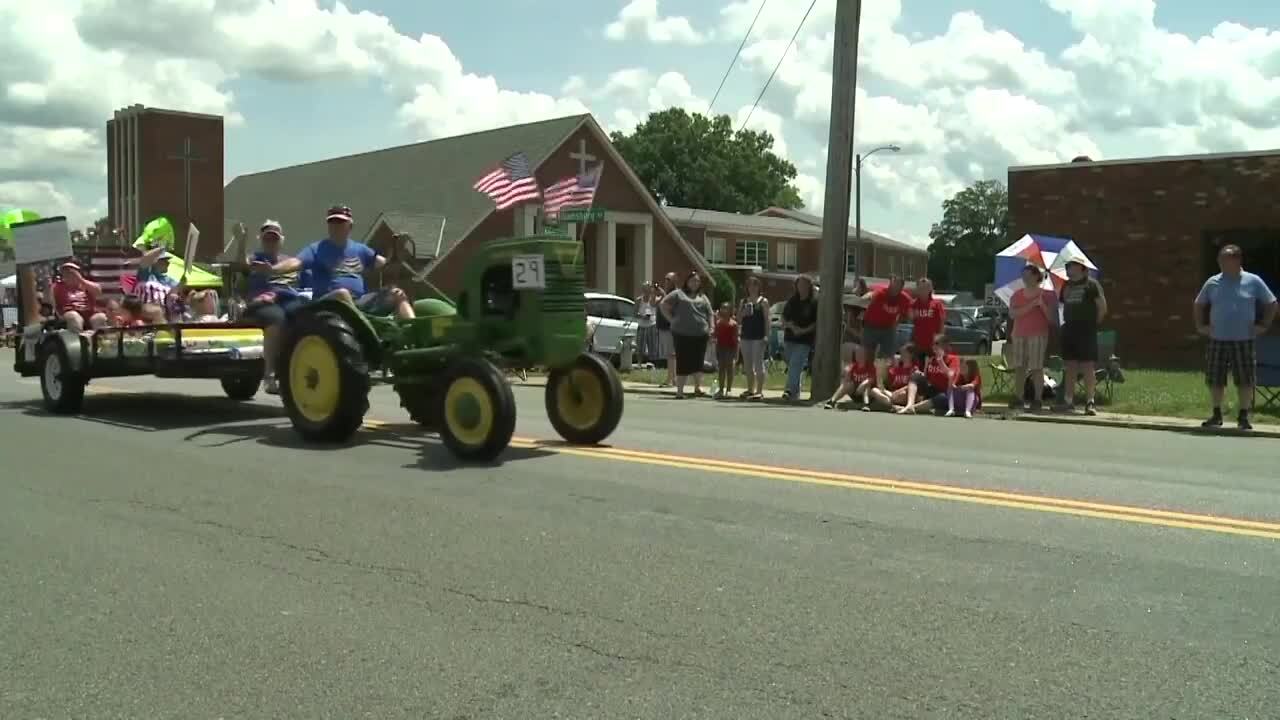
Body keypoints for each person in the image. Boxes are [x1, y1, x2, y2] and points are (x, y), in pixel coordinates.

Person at [256, 205, 414, 320]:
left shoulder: (361, 249)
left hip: (360, 301)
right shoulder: (317, 249)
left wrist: (396, 253)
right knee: (342, 293)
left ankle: (411, 333)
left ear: (350, 226)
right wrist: (274, 270)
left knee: (397, 293)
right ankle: (366, 328)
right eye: (332, 222)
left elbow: (386, 265)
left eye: (340, 222)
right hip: (327, 303)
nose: (335, 226)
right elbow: (294, 262)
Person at [1194, 243, 1278, 430]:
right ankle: (1216, 414)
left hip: (1244, 339)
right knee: (1216, 378)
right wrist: (1201, 326)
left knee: (1245, 379)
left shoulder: (1253, 281)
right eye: (1220, 259)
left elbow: (1271, 303)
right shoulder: (1213, 282)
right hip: (1218, 339)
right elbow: (1199, 304)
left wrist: (1263, 325)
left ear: (1237, 260)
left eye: (1225, 259)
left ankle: (1243, 415)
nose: (1221, 262)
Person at [242, 220, 306, 394]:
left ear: (281, 240)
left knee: (306, 316)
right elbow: (242, 264)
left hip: (289, 299)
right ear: (261, 240)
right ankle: (270, 375)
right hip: (263, 302)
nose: (271, 242)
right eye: (267, 239)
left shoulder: (289, 262)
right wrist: (241, 240)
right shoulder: (255, 258)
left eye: (274, 239)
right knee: (276, 319)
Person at [1057, 259, 1107, 415]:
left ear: (1081, 268)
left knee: (1087, 366)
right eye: (1066, 266)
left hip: (1086, 329)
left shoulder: (1091, 284)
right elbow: (1061, 305)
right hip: (1069, 328)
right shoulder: (1066, 286)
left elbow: (1102, 307)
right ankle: (1068, 401)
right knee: (1070, 366)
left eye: (1070, 266)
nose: (1067, 269)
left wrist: (1093, 324)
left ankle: (1090, 402)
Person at [1007, 264, 1056, 411]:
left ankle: (1037, 399)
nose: (1025, 278)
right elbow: (1013, 314)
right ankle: (1019, 397)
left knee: (1036, 367)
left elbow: (1052, 319)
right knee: (1020, 367)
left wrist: (1042, 305)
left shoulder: (1048, 295)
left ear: (1036, 276)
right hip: (1019, 333)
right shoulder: (1017, 295)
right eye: (1023, 275)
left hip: (1038, 334)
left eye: (1028, 275)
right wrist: (1031, 305)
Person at [660, 271, 714, 399]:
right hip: (682, 333)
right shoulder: (678, 294)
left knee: (698, 361)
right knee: (683, 361)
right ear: (687, 282)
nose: (694, 283)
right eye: (692, 281)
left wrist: (712, 327)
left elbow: (710, 313)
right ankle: (679, 391)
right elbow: (663, 304)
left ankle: (698, 387)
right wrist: (671, 319)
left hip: (700, 333)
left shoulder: (703, 297)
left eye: (697, 281)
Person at [861, 275, 911, 385]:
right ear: (890, 283)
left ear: (901, 287)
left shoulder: (904, 298)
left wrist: (897, 322)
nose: (894, 288)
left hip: (888, 328)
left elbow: (908, 312)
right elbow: (869, 295)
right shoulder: (880, 293)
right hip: (871, 326)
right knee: (869, 353)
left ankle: (883, 380)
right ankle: (868, 378)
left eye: (897, 285)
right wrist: (865, 297)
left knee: (887, 356)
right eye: (893, 284)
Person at [781, 275, 818, 402]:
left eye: (804, 284)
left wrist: (803, 330)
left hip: (805, 339)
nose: (801, 287)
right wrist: (790, 325)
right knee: (792, 363)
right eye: (799, 284)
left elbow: (815, 323)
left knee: (796, 363)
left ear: (809, 286)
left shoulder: (813, 303)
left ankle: (789, 390)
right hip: (790, 338)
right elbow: (784, 318)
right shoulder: (792, 301)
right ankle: (796, 392)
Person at [48, 261, 108, 331]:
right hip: (70, 312)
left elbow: (98, 291)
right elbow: (50, 302)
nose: (69, 274)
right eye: (65, 272)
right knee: (74, 317)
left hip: (90, 312)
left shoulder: (86, 284)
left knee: (100, 318)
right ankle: (80, 340)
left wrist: (80, 280)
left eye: (71, 271)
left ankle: (98, 340)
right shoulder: (57, 286)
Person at [738, 276, 770, 401]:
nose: (752, 288)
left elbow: (767, 320)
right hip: (746, 336)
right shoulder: (743, 302)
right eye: (750, 285)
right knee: (747, 365)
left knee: (758, 363)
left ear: (759, 287)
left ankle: (759, 390)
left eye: (755, 285)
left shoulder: (763, 301)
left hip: (759, 336)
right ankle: (750, 389)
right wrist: (743, 313)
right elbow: (739, 319)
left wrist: (767, 335)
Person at [824, 344, 878, 411]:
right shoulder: (852, 367)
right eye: (857, 354)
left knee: (867, 386)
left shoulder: (870, 366)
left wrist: (862, 385)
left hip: (866, 394)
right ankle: (832, 401)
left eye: (861, 354)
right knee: (847, 384)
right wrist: (847, 375)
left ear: (865, 355)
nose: (859, 356)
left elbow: (871, 379)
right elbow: (846, 382)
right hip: (855, 393)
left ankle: (866, 405)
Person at [909, 278, 946, 367]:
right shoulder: (913, 304)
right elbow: (910, 319)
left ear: (930, 289)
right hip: (918, 344)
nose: (923, 290)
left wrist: (940, 342)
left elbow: (941, 323)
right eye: (920, 288)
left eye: (926, 288)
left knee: (933, 368)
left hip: (933, 344)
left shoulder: (937, 304)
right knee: (919, 369)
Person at [655, 272, 678, 387]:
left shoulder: (675, 293)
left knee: (671, 354)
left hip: (671, 327)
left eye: (668, 279)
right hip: (663, 326)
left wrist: (664, 295)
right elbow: (655, 304)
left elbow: (671, 307)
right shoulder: (666, 293)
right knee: (670, 354)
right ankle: (673, 379)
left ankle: (670, 379)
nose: (666, 281)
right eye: (665, 279)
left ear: (674, 281)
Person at [713, 303, 739, 399]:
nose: (724, 310)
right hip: (721, 347)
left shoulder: (734, 324)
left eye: (726, 308)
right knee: (721, 369)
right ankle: (720, 389)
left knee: (730, 369)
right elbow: (715, 335)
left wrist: (736, 352)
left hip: (730, 348)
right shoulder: (718, 323)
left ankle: (729, 389)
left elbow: (736, 339)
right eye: (722, 308)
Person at [634, 283, 659, 363]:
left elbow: (663, 297)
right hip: (641, 325)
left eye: (648, 289)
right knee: (640, 346)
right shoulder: (639, 300)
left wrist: (657, 288)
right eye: (645, 289)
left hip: (652, 325)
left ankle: (652, 363)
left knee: (652, 345)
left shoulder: (654, 299)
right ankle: (639, 363)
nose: (647, 291)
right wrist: (642, 316)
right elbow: (634, 314)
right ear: (643, 290)